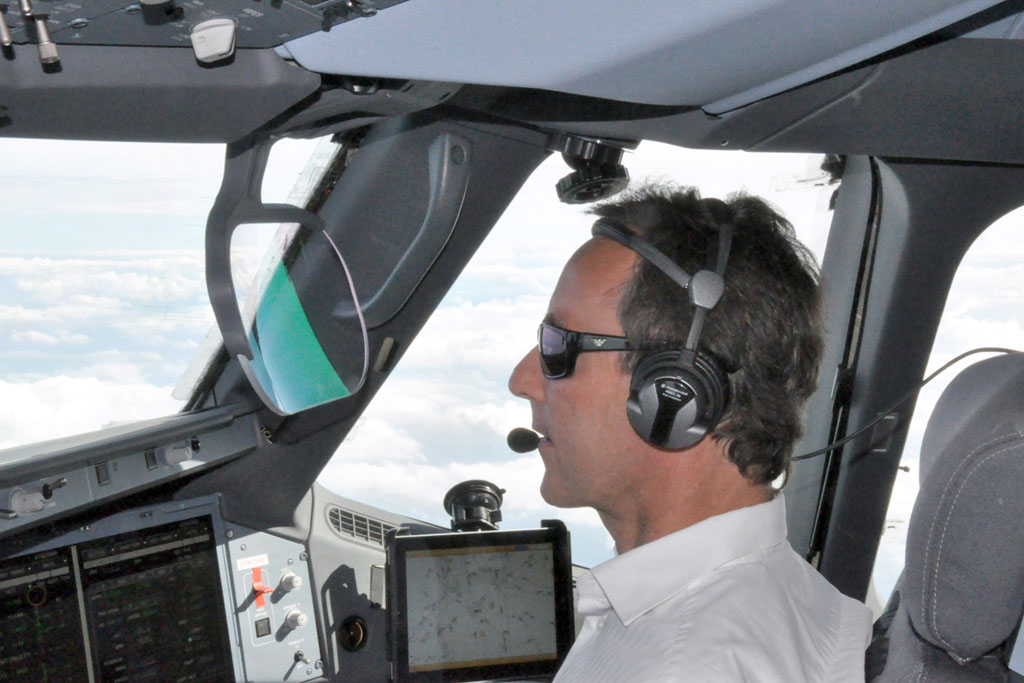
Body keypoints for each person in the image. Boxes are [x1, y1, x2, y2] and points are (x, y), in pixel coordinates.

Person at [508, 185, 872, 682]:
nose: (522, 380)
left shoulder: (678, 666)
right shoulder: (788, 600)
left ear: (675, 391)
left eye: (556, 346)